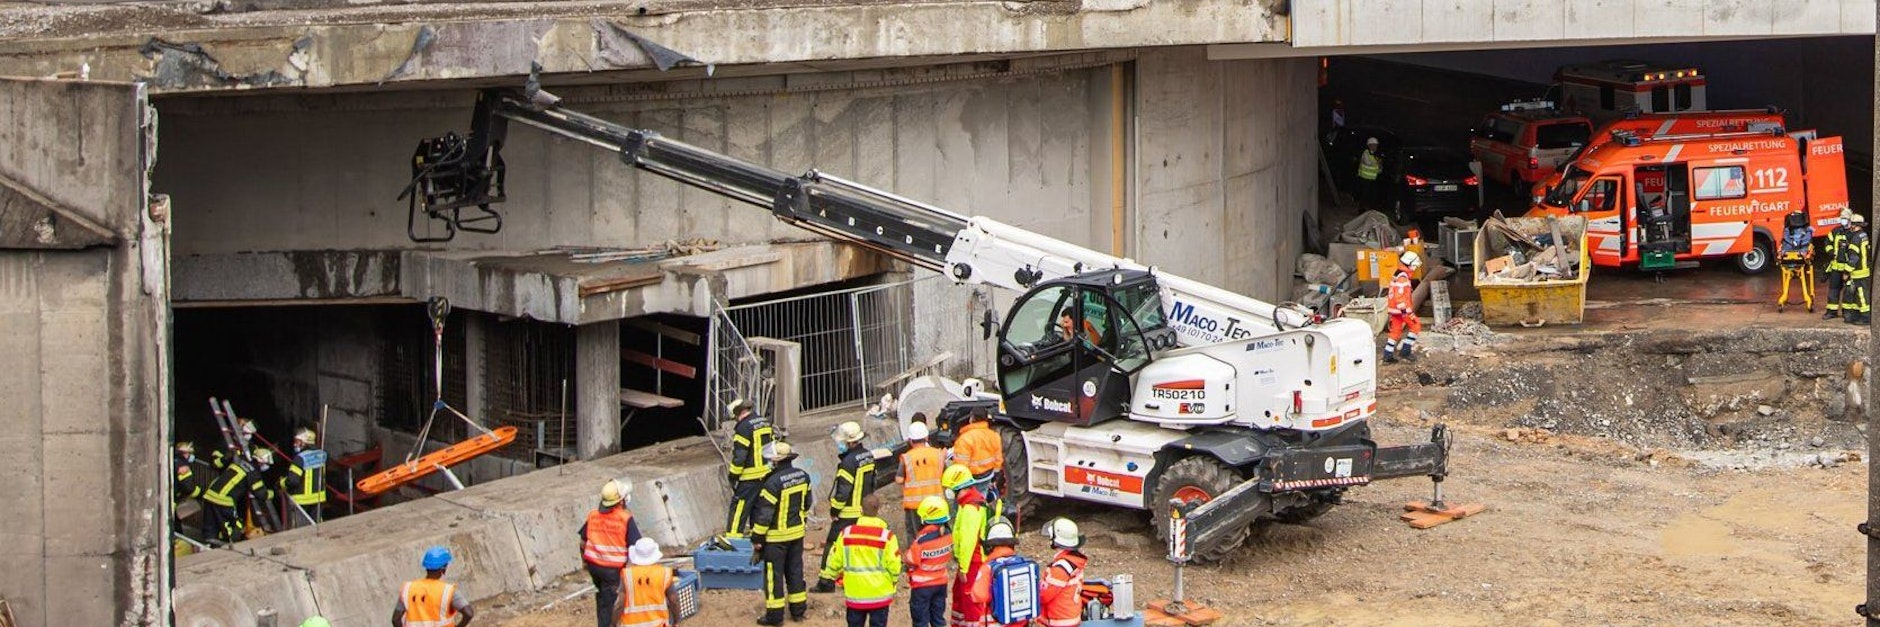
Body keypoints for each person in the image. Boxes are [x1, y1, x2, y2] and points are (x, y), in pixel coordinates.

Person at [751, 441, 811, 626]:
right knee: (795, 571)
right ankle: (798, 611)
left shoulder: (772, 483)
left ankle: (775, 617)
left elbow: (764, 515)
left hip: (776, 538)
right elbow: (807, 504)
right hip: (796, 534)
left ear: (776, 461)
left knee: (773, 576)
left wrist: (757, 539)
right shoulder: (803, 476)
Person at [821, 493, 901, 627]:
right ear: (878, 510)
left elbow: (835, 561)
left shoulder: (846, 534)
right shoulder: (887, 537)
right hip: (880, 594)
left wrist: (832, 577)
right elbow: (895, 565)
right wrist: (893, 582)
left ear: (861, 510)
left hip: (855, 594)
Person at [816, 421, 877, 593]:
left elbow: (842, 492)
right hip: (864, 511)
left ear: (850, 442)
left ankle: (826, 581)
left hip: (848, 512)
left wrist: (834, 510)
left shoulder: (848, 463)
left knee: (832, 544)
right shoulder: (868, 456)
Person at [579, 478, 643, 627]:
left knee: (604, 595)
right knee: (613, 604)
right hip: (613, 570)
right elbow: (636, 546)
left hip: (594, 567)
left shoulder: (593, 515)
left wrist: (584, 563)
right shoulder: (625, 518)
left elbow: (582, 542)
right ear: (620, 501)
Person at [943, 464, 990, 627]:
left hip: (973, 561)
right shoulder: (969, 502)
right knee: (960, 596)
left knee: (971, 600)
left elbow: (968, 540)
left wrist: (963, 568)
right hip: (970, 560)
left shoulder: (970, 507)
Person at [201, 448, 275, 545]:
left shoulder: (239, 463)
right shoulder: (253, 474)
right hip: (224, 501)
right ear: (262, 462)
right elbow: (261, 494)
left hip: (209, 496)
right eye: (267, 464)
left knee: (210, 526)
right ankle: (233, 546)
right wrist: (274, 493)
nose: (267, 467)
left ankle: (209, 545)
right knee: (237, 526)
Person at [725, 399, 773, 538]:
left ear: (738, 413)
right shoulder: (764, 422)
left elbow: (740, 456)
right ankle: (756, 538)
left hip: (749, 477)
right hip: (767, 473)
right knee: (759, 508)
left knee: (739, 507)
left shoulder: (743, 427)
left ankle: (733, 539)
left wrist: (733, 475)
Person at [393, 545, 474, 627]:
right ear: (444, 569)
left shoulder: (408, 588)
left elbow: (395, 619)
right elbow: (469, 613)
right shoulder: (448, 591)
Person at [965, 518, 1025, 627]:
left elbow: (978, 595)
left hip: (995, 621)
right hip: (1020, 622)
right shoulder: (1022, 564)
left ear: (989, 546)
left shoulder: (988, 568)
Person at [905, 496, 954, 627]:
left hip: (922, 586)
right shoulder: (949, 536)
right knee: (938, 618)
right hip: (941, 583)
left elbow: (910, 560)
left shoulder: (921, 542)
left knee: (920, 621)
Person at [1037, 518, 1089, 627]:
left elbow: (1044, 597)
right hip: (1070, 617)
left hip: (1059, 620)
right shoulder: (1073, 561)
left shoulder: (1060, 568)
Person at [898, 421, 945, 535]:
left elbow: (899, 479)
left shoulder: (907, 457)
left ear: (910, 440)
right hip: (936, 501)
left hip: (915, 505)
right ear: (927, 437)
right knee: (936, 532)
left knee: (917, 534)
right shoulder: (938, 454)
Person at [949, 409, 1003, 507]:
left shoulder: (965, 439)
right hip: (986, 477)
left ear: (971, 419)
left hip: (969, 480)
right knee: (980, 501)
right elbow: (998, 459)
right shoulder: (994, 436)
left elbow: (961, 466)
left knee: (965, 505)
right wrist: (995, 476)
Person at [618, 538, 674, 627]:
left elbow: (619, 604)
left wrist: (613, 623)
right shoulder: (665, 573)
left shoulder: (627, 574)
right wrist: (677, 620)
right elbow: (673, 600)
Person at [1382, 250, 1421, 364]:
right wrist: (1406, 312)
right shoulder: (1403, 278)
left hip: (1394, 310)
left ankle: (1388, 354)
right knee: (1416, 325)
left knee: (1396, 331)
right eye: (1414, 266)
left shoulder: (1398, 273)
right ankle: (1405, 351)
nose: (1415, 268)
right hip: (1401, 310)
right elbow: (1400, 297)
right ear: (1409, 264)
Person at [282, 428, 327, 525]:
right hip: (319, 499)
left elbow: (293, 481)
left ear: (304, 442)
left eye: (297, 442)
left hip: (302, 500)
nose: (295, 444)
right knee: (317, 524)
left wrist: (282, 483)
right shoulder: (322, 455)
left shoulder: (300, 458)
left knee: (300, 527)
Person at [1777, 210, 1816, 312]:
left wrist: (1783, 253)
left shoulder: (1787, 231)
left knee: (1788, 278)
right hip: (1800, 257)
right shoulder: (1807, 231)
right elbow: (1808, 243)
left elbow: (1785, 244)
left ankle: (1784, 298)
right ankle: (1808, 297)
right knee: (1803, 278)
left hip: (1789, 257)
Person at [1843, 214, 1871, 325]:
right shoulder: (1863, 235)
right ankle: (1855, 315)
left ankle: (1866, 318)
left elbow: (1854, 258)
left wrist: (1846, 272)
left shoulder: (1855, 238)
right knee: (1856, 295)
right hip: (1863, 270)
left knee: (1861, 296)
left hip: (1859, 272)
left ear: (1855, 225)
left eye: (1851, 224)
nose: (1850, 226)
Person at [1826, 211, 1855, 319]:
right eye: (1841, 218)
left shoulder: (1853, 233)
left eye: (1845, 218)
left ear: (1850, 219)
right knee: (1833, 290)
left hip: (1848, 268)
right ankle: (1831, 312)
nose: (1843, 220)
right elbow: (1827, 243)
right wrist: (1831, 252)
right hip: (1836, 267)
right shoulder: (1836, 231)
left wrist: (1849, 268)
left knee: (1849, 291)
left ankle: (1846, 312)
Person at [1356, 137, 1383, 210]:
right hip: (1364, 178)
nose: (1376, 147)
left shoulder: (1375, 155)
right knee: (1364, 195)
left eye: (1376, 145)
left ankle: (1370, 210)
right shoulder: (1366, 153)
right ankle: (1361, 210)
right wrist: (1377, 162)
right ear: (1370, 145)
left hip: (1373, 179)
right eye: (1374, 145)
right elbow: (1367, 162)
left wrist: (1379, 166)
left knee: (1373, 196)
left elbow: (1379, 169)